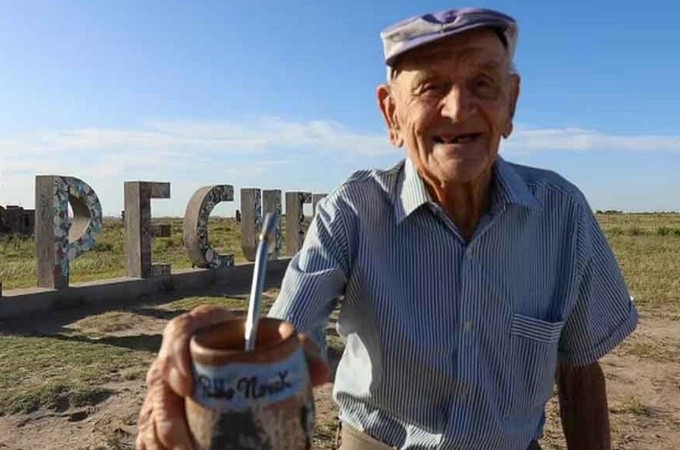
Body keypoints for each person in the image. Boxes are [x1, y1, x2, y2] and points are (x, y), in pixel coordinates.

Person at [137, 7, 638, 450]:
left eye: (483, 83)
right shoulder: (353, 210)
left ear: (511, 103)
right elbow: (293, 336)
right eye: (431, 86)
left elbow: (580, 371)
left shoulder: (561, 213)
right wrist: (227, 348)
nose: (458, 108)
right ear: (391, 114)